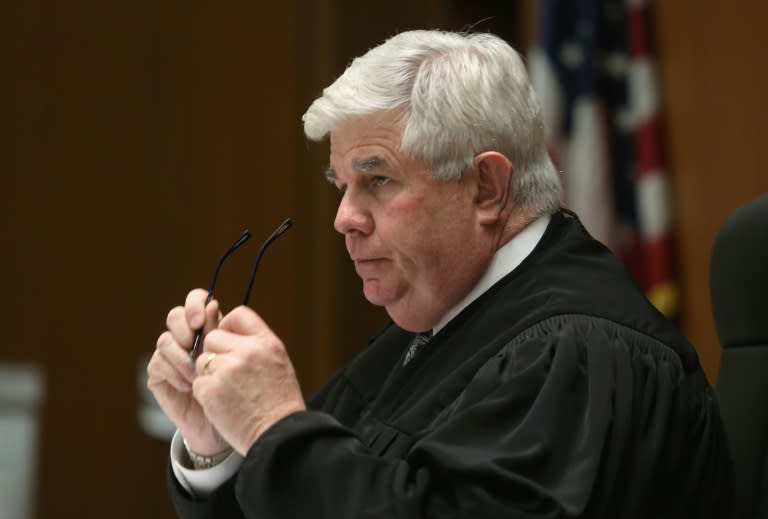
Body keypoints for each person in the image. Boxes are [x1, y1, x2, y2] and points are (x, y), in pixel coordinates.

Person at [147, 30, 733, 518]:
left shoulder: (575, 350)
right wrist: (218, 446)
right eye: (341, 185)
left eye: (377, 179)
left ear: (487, 188)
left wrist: (273, 428)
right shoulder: (439, 320)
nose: (343, 219)